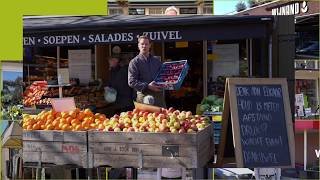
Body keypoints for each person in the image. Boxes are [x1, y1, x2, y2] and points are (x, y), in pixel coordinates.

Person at [128, 35, 166, 108]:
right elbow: (131, 81)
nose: (144, 46)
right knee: (146, 119)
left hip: (158, 96)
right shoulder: (134, 62)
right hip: (144, 96)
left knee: (162, 117)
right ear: (138, 46)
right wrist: (148, 86)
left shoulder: (156, 61)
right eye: (142, 44)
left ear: (150, 45)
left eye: (146, 44)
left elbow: (162, 76)